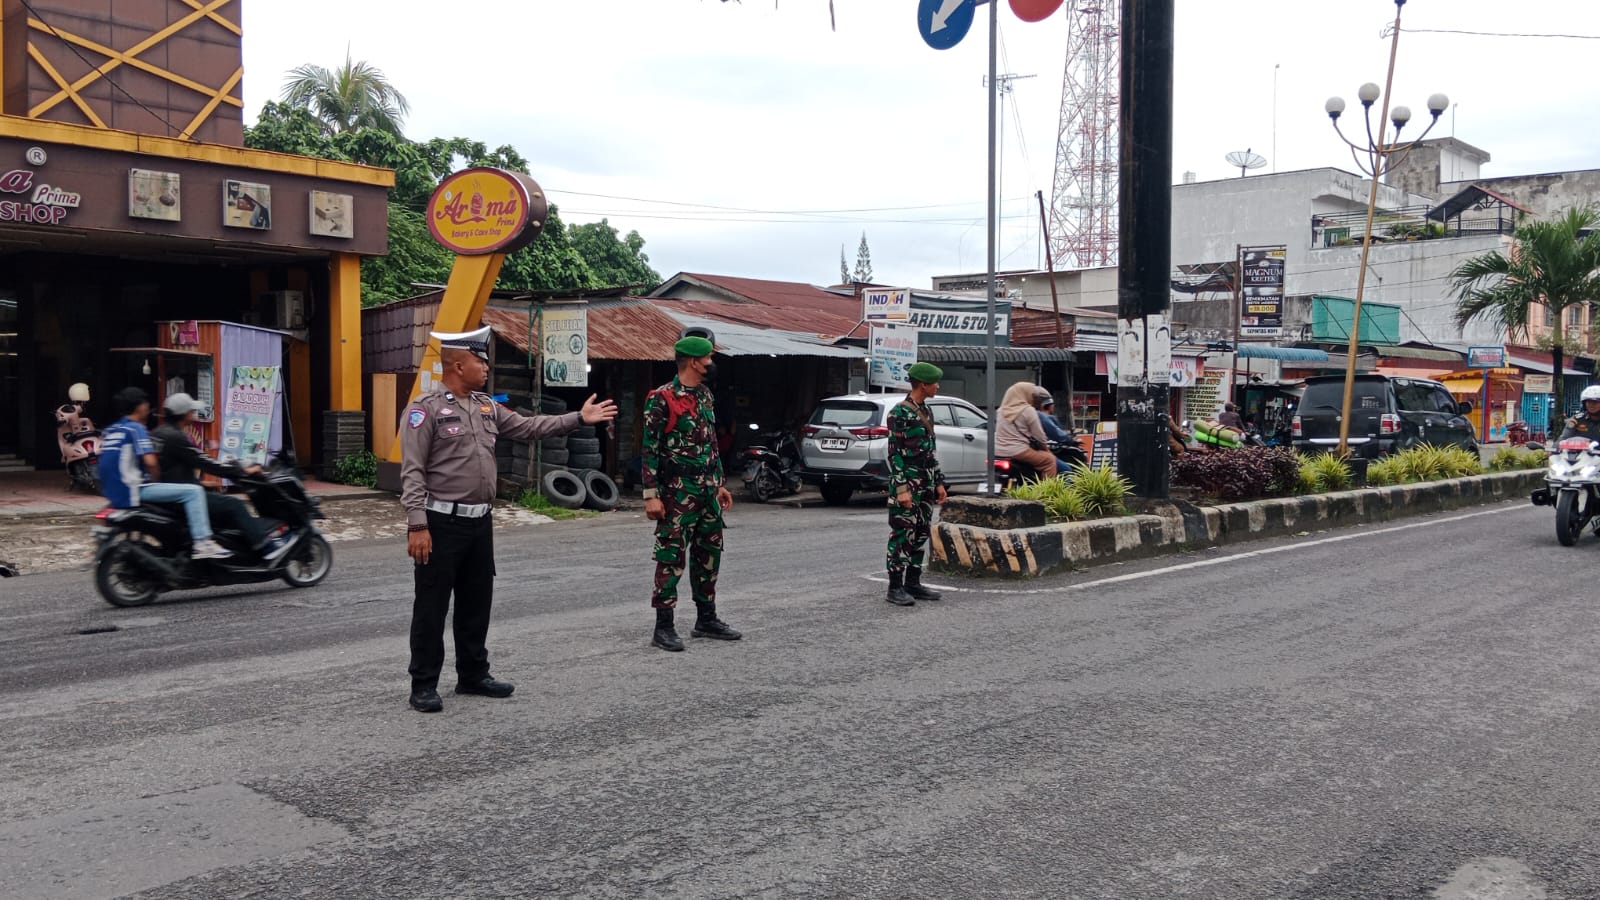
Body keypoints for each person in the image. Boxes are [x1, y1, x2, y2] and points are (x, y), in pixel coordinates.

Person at [401, 326, 618, 713]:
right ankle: (423, 684)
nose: (485, 367)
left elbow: (531, 427)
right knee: (431, 606)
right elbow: (413, 472)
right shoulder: (426, 410)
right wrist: (417, 524)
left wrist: (579, 419)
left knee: (476, 602)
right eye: (480, 361)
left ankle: (472, 675)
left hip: (479, 523)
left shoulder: (487, 407)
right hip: (440, 523)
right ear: (456, 364)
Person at [642, 334, 739, 652]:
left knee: (708, 555)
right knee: (671, 556)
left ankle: (706, 619)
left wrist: (720, 483)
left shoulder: (706, 396)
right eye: (709, 358)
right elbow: (650, 449)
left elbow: (710, 444)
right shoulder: (662, 397)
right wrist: (650, 494)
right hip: (677, 492)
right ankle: (664, 627)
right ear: (694, 362)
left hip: (708, 490)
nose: (712, 363)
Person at [96, 386, 232, 559]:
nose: (148, 407)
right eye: (145, 404)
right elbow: (151, 462)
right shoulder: (136, 428)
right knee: (194, 492)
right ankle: (202, 542)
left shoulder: (111, 430)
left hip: (112, 491)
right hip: (134, 489)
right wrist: (156, 480)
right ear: (139, 407)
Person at [151, 393, 289, 559]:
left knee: (221, 502)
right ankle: (265, 546)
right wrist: (243, 471)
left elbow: (172, 468)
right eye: (191, 411)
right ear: (184, 414)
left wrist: (203, 483)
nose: (193, 414)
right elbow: (206, 463)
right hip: (183, 497)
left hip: (172, 491)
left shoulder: (159, 433)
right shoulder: (176, 437)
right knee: (234, 505)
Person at [884, 361, 949, 607]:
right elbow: (894, 454)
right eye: (934, 382)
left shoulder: (925, 411)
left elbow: (930, 452)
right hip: (908, 485)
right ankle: (895, 587)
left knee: (921, 533)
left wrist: (939, 482)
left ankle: (913, 582)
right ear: (923, 384)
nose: (937, 386)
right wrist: (901, 489)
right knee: (902, 534)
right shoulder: (899, 413)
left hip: (926, 484)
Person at [994, 381, 1059, 479]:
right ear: (1024, 394)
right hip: (1019, 451)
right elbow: (1039, 436)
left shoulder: (1000, 411)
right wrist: (1045, 448)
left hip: (998, 451)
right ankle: (1047, 491)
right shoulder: (1028, 410)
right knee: (1049, 460)